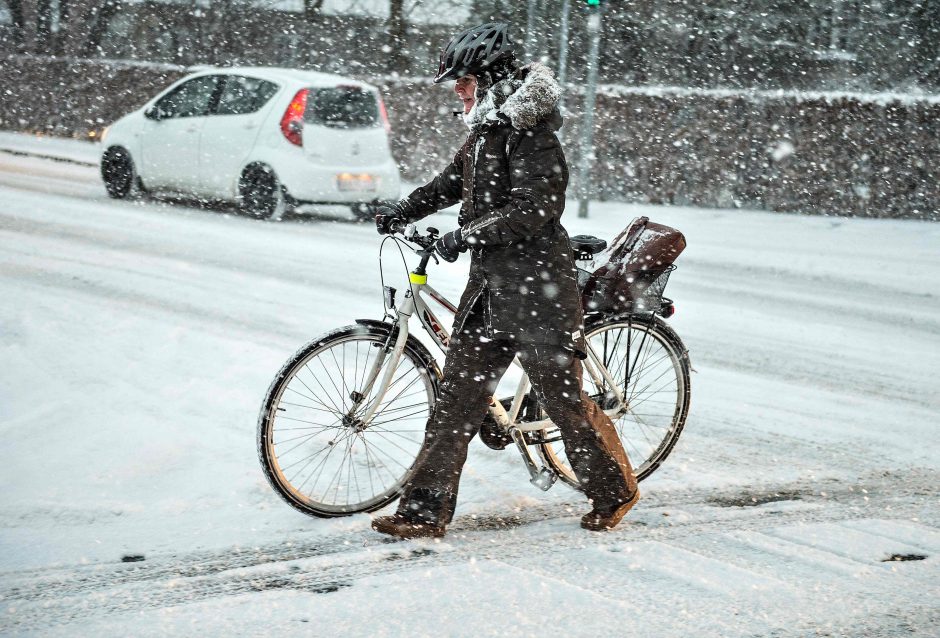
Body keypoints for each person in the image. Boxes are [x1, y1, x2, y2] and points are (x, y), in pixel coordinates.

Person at [371, 22, 638, 539]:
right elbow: (452, 183)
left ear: (490, 78)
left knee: (563, 403)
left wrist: (465, 237)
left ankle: (613, 491)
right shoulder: (485, 133)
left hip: (540, 290)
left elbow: (535, 209)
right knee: (455, 404)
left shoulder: (534, 135)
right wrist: (404, 208)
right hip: (490, 292)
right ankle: (423, 514)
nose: (458, 90)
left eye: (464, 80)